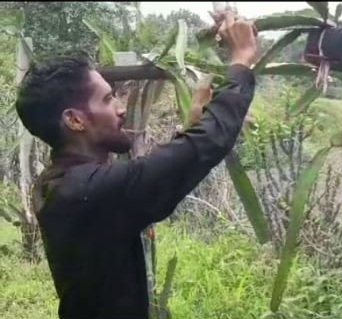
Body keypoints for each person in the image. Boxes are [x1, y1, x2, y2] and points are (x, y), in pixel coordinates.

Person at [15, 12, 258, 319]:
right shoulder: (85, 192)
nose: (120, 108)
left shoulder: (60, 184)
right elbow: (204, 147)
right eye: (107, 99)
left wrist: (189, 128)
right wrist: (241, 61)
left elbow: (151, 175)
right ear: (75, 120)